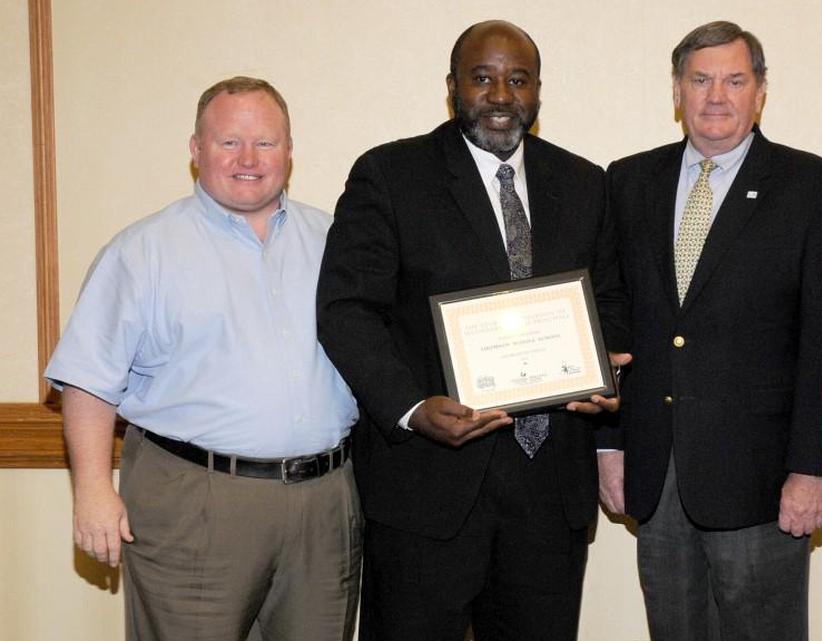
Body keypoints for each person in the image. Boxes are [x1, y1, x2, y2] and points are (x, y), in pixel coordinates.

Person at [315, 20, 625, 641]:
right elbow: (346, 309)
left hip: (549, 491)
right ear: (452, 86)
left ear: (538, 91)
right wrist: (409, 407)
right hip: (427, 490)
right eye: (482, 78)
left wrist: (608, 370)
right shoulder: (391, 174)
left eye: (518, 79)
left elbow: (611, 299)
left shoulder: (585, 182)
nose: (501, 95)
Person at [44, 76, 361, 641]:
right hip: (195, 502)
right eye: (227, 142)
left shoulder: (338, 242)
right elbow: (88, 381)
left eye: (265, 143)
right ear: (195, 151)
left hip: (325, 501)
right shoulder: (143, 252)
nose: (248, 159)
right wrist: (92, 492)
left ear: (289, 151)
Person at [598, 20, 822, 641]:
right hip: (656, 474)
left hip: (764, 482)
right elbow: (613, 318)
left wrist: (814, 468)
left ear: (760, 91)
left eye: (735, 80)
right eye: (701, 79)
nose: (717, 95)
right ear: (677, 89)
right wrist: (609, 443)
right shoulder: (628, 182)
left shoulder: (816, 188)